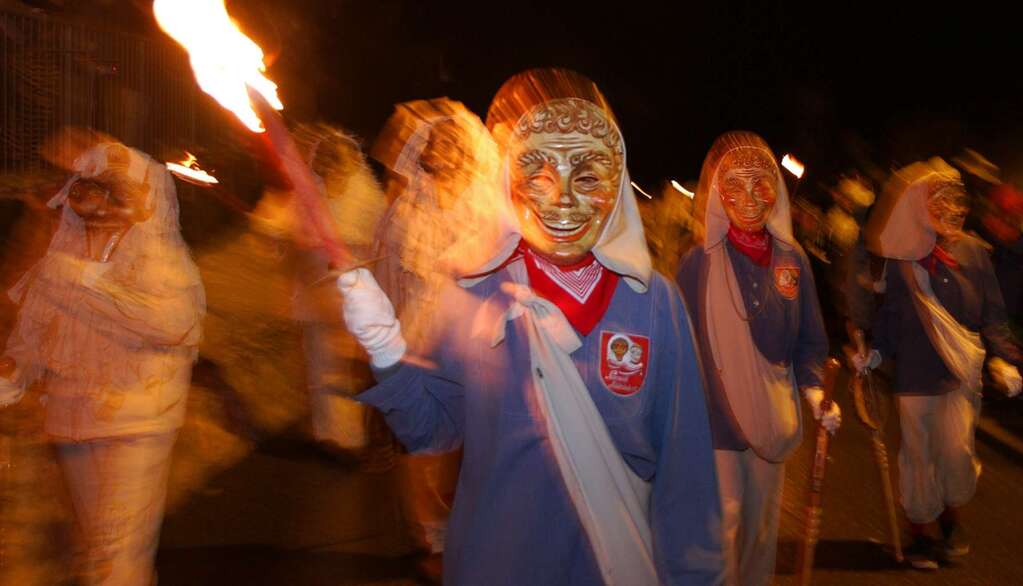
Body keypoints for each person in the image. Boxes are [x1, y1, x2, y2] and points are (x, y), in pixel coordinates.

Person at [336, 68, 723, 585]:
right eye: (537, 171)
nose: (561, 197)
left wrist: (697, 575)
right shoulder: (473, 288)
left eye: (586, 174)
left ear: (616, 177)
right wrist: (385, 348)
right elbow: (429, 427)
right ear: (506, 177)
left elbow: (687, 474)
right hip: (496, 562)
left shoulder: (654, 303)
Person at [0, 141, 205, 585]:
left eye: (111, 189)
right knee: (97, 545)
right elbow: (34, 331)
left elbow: (173, 325)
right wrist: (15, 375)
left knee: (115, 551)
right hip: (73, 416)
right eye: (87, 187)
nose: (96, 200)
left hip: (136, 422)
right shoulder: (61, 257)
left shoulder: (163, 260)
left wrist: (86, 285)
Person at [676, 130, 840, 586]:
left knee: (762, 533)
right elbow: (679, 344)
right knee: (720, 532)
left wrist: (813, 391)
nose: (750, 198)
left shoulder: (794, 261)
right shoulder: (698, 264)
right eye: (736, 185)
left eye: (761, 184)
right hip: (716, 424)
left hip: (773, 417)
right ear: (718, 194)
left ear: (777, 192)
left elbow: (811, 341)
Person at [855, 157, 1023, 569]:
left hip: (960, 376)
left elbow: (992, 313)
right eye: (940, 200)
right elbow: (891, 319)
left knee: (955, 456)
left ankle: (950, 523)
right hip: (914, 377)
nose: (951, 209)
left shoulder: (974, 253)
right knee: (918, 459)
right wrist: (875, 351)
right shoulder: (902, 260)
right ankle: (919, 536)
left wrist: (1004, 358)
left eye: (956, 201)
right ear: (920, 204)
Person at [371, 98, 498, 579]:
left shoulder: (490, 209)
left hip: (478, 342)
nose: (439, 149)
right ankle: (434, 537)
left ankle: (477, 532)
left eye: (450, 141)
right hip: (418, 342)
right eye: (431, 140)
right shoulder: (404, 210)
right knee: (424, 449)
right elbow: (386, 276)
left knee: (477, 447)